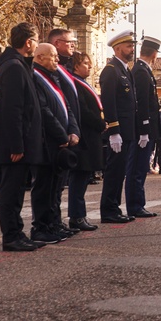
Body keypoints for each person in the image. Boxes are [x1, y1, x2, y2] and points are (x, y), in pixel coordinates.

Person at [0, 22, 46, 251]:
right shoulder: (14, 67)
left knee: (17, 191)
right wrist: (17, 145)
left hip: (22, 140)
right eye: (36, 40)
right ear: (28, 42)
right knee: (11, 191)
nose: (36, 45)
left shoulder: (19, 65)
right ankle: (11, 236)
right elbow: (13, 110)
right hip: (16, 143)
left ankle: (17, 232)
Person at [30, 42, 79, 244]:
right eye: (53, 56)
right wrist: (62, 136)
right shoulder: (35, 77)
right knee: (44, 187)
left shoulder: (54, 77)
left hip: (61, 142)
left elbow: (66, 106)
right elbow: (44, 111)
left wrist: (73, 130)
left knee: (56, 187)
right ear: (39, 57)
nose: (57, 59)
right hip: (47, 143)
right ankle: (41, 227)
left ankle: (54, 223)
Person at [98, 29, 137, 224]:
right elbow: (109, 102)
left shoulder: (124, 70)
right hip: (118, 131)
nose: (132, 49)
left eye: (132, 46)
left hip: (127, 131)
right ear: (117, 48)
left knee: (120, 172)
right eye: (129, 46)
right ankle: (108, 210)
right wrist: (114, 131)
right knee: (114, 172)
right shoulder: (111, 70)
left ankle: (114, 207)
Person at [68, 51, 104, 230]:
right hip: (85, 137)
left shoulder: (82, 82)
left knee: (83, 179)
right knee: (78, 178)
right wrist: (100, 123)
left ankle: (79, 214)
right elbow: (83, 110)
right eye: (85, 63)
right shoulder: (75, 83)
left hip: (91, 136)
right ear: (76, 66)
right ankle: (76, 215)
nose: (89, 66)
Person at [126, 36, 160, 218]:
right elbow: (141, 103)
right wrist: (144, 129)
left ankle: (138, 204)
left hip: (145, 128)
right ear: (154, 54)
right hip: (142, 129)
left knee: (140, 168)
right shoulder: (140, 71)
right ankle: (135, 205)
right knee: (137, 169)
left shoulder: (143, 70)